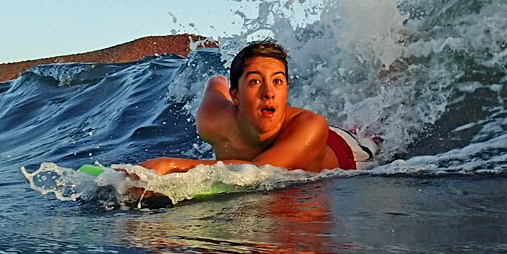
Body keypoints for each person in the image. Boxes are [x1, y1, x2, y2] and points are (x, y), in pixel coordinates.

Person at [140, 41, 375, 175]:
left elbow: (260, 172)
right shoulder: (212, 121)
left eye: (278, 81)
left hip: (347, 151)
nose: (269, 92)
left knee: (377, 134)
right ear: (235, 95)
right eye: (255, 81)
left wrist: (171, 165)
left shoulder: (312, 126)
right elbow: (215, 83)